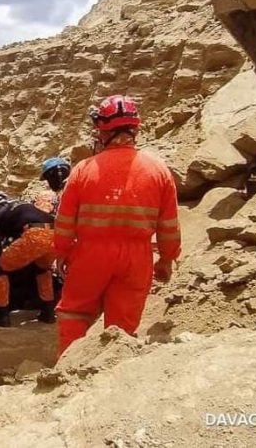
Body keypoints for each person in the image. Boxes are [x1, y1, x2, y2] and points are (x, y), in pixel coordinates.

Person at [54, 95, 182, 357]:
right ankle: (113, 369)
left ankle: (65, 372)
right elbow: (169, 224)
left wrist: (62, 252)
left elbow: (64, 222)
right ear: (136, 129)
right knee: (122, 327)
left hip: (91, 254)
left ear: (102, 130)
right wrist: (167, 259)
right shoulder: (158, 170)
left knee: (75, 313)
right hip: (137, 257)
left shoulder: (83, 170)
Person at [0, 190, 57, 324]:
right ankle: (48, 312)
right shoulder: (19, 205)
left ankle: (1, 316)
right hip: (56, 233)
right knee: (42, 270)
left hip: (34, 234)